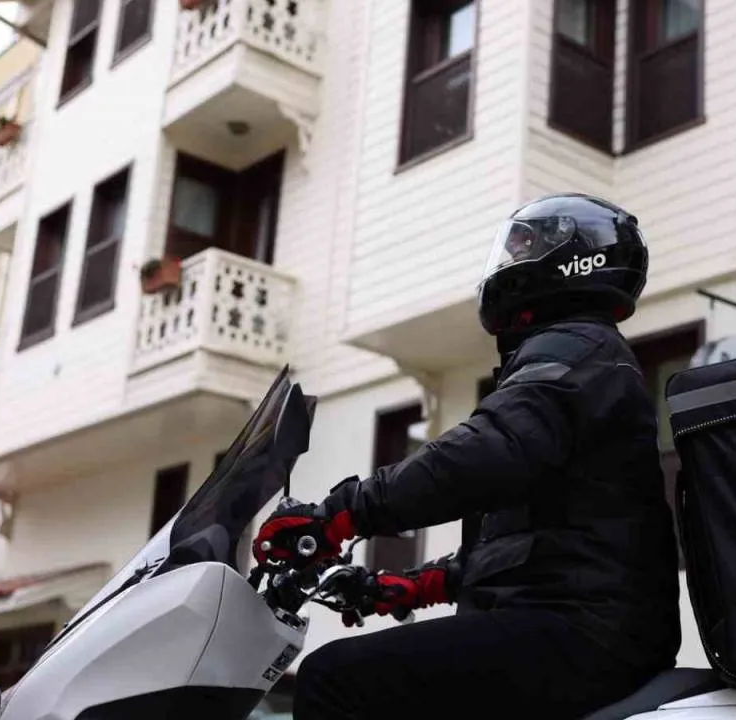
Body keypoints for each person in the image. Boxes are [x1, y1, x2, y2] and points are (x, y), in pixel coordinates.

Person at [253, 193, 682, 719]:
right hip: (584, 620)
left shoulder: (576, 348)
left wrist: (340, 515)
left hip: (587, 630)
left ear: (571, 260)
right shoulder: (581, 354)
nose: (510, 262)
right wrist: (414, 585)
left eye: (524, 250)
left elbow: (483, 454)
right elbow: (537, 545)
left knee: (332, 678)